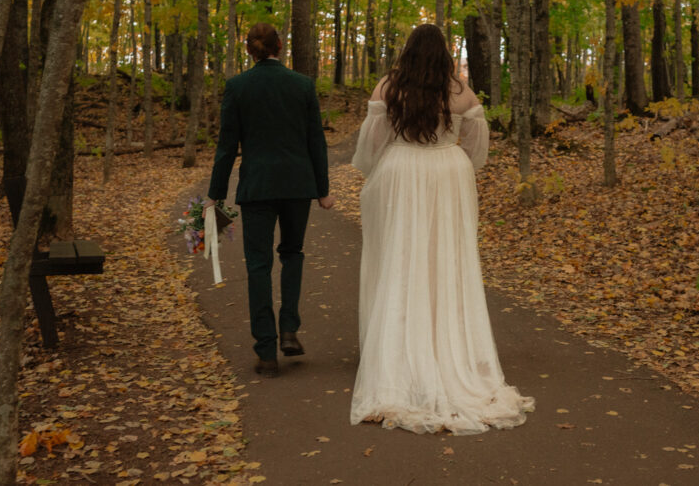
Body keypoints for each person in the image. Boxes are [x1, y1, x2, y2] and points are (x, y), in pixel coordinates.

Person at [350, 23, 534, 435]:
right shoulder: (460, 91)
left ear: (408, 52)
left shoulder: (388, 87)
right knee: (445, 261)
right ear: (444, 54)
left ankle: (399, 354)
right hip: (447, 174)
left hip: (403, 171)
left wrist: (379, 171)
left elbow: (371, 146)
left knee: (399, 257)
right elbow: (476, 147)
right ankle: (447, 347)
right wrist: (448, 156)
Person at [206, 22, 334, 378]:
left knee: (258, 266)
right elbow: (315, 142)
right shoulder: (302, 85)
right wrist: (322, 189)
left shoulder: (237, 87)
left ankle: (265, 351)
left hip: (257, 187)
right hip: (297, 185)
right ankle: (289, 328)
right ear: (280, 45)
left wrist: (214, 195)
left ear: (250, 50)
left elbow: (227, 147)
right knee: (292, 253)